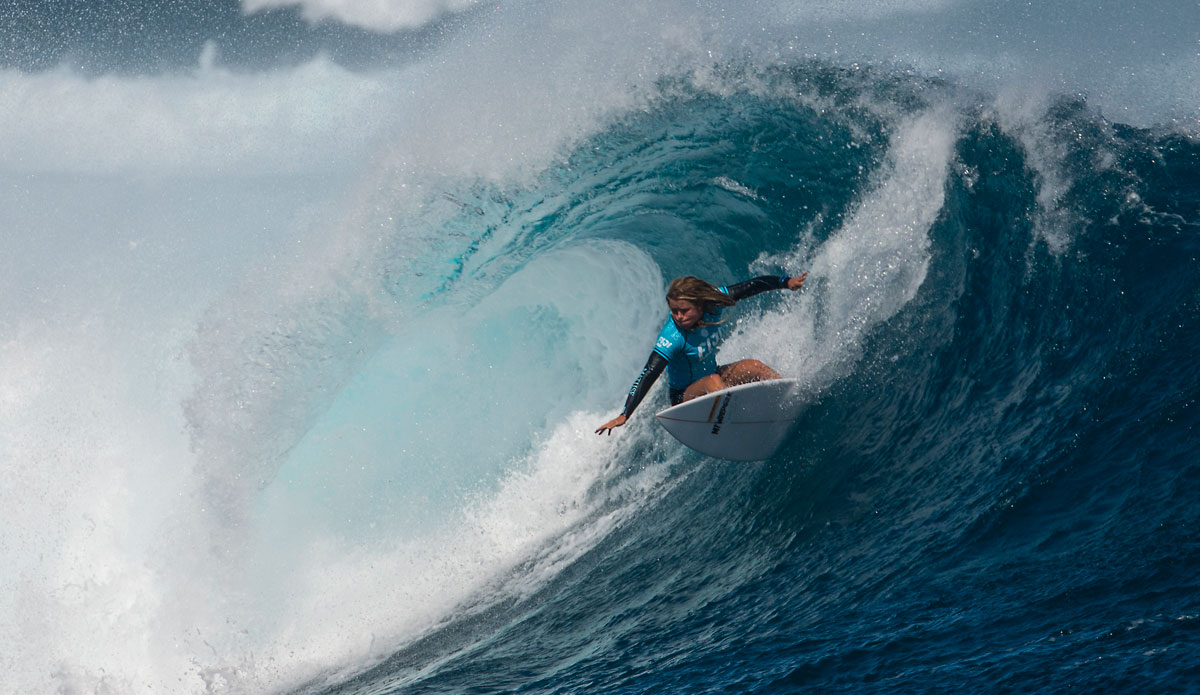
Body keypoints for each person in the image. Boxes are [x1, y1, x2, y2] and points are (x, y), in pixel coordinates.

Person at [595, 272, 807, 435]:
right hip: (685, 398)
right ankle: (733, 429)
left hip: (715, 380)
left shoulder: (714, 303)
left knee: (755, 366)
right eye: (674, 310)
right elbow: (649, 372)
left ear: (700, 305)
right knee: (713, 382)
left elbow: (752, 286)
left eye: (684, 310)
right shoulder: (672, 337)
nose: (678, 316)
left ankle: (789, 400)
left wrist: (786, 282)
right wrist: (625, 414)